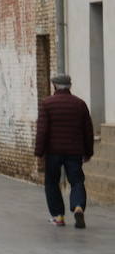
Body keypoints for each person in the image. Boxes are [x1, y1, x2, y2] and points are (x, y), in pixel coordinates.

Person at [35, 72, 94, 227]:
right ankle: (78, 207)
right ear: (70, 86)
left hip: (53, 152)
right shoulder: (80, 104)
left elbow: (42, 130)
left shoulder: (47, 104)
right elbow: (88, 131)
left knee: (52, 183)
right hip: (74, 151)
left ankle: (58, 216)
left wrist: (39, 152)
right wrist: (88, 152)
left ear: (54, 85)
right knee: (77, 181)